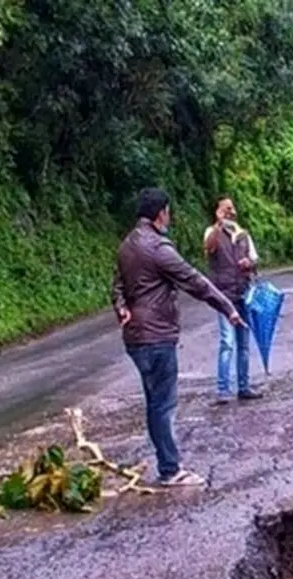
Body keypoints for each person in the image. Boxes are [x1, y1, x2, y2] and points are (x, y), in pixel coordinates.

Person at [112, 188, 243, 488]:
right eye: (168, 212)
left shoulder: (125, 246)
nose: (168, 217)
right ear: (161, 214)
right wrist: (227, 307)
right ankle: (170, 469)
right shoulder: (158, 249)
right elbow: (194, 280)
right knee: (164, 404)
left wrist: (121, 308)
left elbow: (117, 285)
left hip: (135, 338)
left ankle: (167, 463)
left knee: (154, 403)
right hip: (156, 336)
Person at [204, 196, 264, 404]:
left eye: (232, 208)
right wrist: (218, 225)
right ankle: (222, 390)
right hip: (223, 297)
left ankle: (244, 386)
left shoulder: (243, 234)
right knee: (227, 342)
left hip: (243, 294)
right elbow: (209, 248)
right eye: (226, 208)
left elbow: (255, 261)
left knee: (244, 343)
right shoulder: (212, 233)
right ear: (217, 211)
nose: (231, 211)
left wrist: (250, 263)